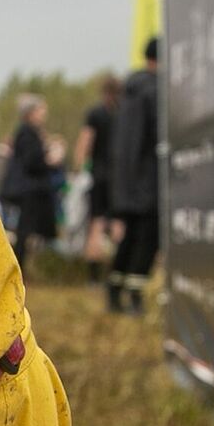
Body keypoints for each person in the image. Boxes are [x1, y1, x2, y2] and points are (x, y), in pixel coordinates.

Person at [107, 37, 162, 314]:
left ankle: (114, 291)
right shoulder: (154, 91)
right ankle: (135, 296)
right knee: (147, 240)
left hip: (127, 181)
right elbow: (158, 135)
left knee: (128, 239)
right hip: (149, 181)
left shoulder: (130, 90)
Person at [0, 94, 59, 267]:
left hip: (29, 189)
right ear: (31, 113)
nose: (43, 114)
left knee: (25, 232)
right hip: (29, 190)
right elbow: (31, 161)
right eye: (40, 110)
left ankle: (20, 266)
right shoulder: (27, 133)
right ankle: (18, 266)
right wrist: (49, 161)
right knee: (24, 232)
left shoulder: (28, 132)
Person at [74, 74, 122, 280]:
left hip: (99, 176)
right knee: (118, 224)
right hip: (119, 177)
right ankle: (117, 271)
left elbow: (85, 143)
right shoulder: (122, 115)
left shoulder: (95, 114)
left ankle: (93, 275)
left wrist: (78, 169)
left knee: (96, 222)